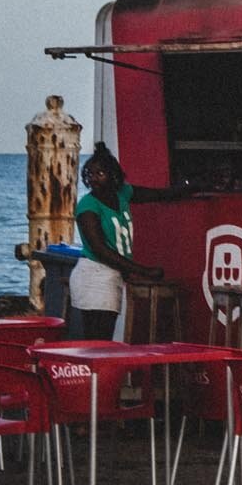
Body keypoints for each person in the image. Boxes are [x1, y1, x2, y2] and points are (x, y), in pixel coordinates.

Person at [69, 144, 183, 341]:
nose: (93, 178)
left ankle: (98, 372)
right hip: (93, 276)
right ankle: (95, 373)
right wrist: (143, 271)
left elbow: (157, 195)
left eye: (100, 173)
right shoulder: (87, 206)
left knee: (102, 340)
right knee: (98, 340)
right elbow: (100, 250)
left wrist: (189, 188)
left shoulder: (122, 194)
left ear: (113, 175)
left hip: (111, 275)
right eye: (90, 174)